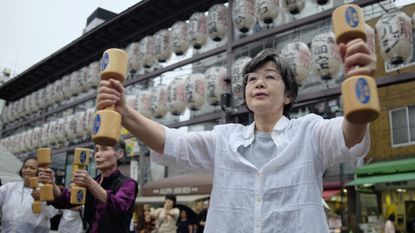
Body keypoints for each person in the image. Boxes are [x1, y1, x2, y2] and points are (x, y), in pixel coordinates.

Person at [96, 38, 376, 232]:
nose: (259, 83)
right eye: (252, 79)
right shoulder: (225, 139)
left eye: (270, 76)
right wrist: (126, 112)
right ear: (245, 95)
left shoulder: (309, 131)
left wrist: (359, 85)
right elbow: (172, 142)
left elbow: (349, 135)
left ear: (288, 95)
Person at [38, 141, 138, 233]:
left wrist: (90, 183)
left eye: (104, 149)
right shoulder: (93, 182)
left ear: (120, 154)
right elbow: (67, 199)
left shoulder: (128, 184)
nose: (97, 154)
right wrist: (51, 183)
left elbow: (119, 205)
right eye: (96, 150)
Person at [0, 156, 58, 232]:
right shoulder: (9, 188)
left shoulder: (46, 188)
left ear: (39, 171)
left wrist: (41, 201)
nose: (27, 170)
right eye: (25, 167)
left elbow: (51, 213)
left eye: (32, 168)